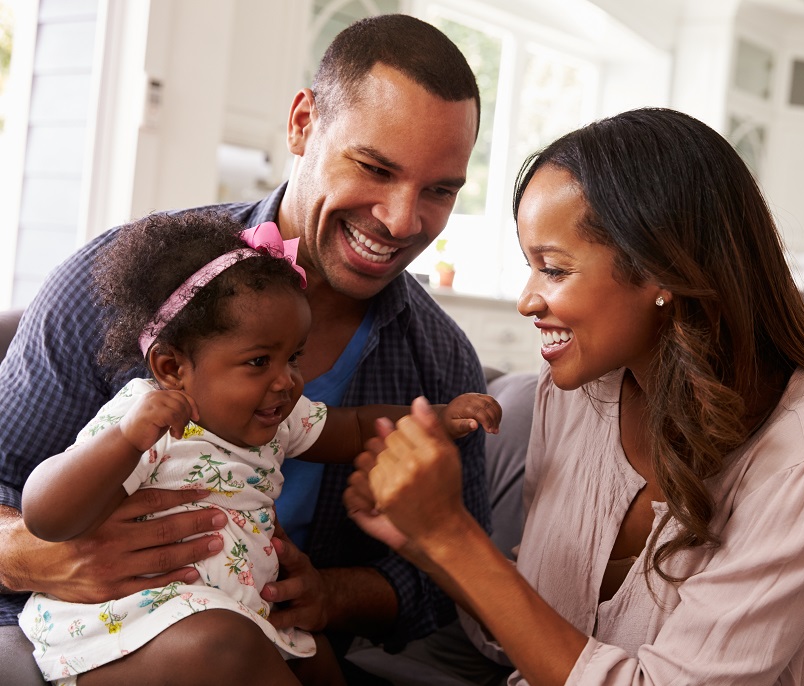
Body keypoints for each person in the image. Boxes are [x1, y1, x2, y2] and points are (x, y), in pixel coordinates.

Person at [345, 107, 804, 685]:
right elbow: (522, 643)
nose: (527, 300)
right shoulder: (574, 396)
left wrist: (452, 535)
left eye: (554, 269)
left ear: (661, 269)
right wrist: (424, 538)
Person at [0, 13, 488, 685]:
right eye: (375, 167)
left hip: (271, 636)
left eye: (439, 190)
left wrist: (330, 595)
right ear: (301, 124)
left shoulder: (439, 361)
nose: (403, 221)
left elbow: (447, 581)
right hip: (87, 637)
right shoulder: (125, 288)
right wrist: (38, 554)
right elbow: (19, 487)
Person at [17, 213, 500, 685]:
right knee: (226, 642)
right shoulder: (144, 419)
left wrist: (436, 417)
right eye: (258, 361)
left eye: (293, 357)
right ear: (171, 368)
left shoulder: (280, 418)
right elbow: (45, 515)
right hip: (131, 630)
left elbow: (354, 428)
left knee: (317, 654)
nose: (287, 380)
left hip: (243, 611)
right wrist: (123, 442)